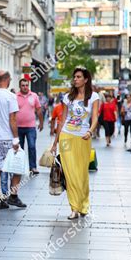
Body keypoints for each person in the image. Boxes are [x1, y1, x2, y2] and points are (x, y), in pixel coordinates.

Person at [51, 66, 99, 219]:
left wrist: (90, 131)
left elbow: (95, 117)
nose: (76, 79)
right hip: (66, 136)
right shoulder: (67, 97)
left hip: (83, 137)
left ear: (85, 79)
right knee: (70, 173)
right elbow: (62, 119)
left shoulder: (94, 97)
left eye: (79, 77)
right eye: (75, 77)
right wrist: (55, 142)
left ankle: (84, 204)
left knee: (82, 173)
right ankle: (74, 208)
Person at [0, 70, 26, 209]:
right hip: (8, 138)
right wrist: (16, 138)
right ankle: (13, 196)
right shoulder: (11, 96)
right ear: (8, 79)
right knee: (17, 166)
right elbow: (12, 119)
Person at [16, 78, 44, 174]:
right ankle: (20, 167)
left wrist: (41, 122)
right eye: (23, 85)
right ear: (20, 86)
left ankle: (33, 167)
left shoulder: (34, 95)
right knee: (20, 148)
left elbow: (39, 110)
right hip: (18, 127)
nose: (25, 87)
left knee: (32, 146)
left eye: (26, 85)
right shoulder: (15, 96)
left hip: (30, 127)